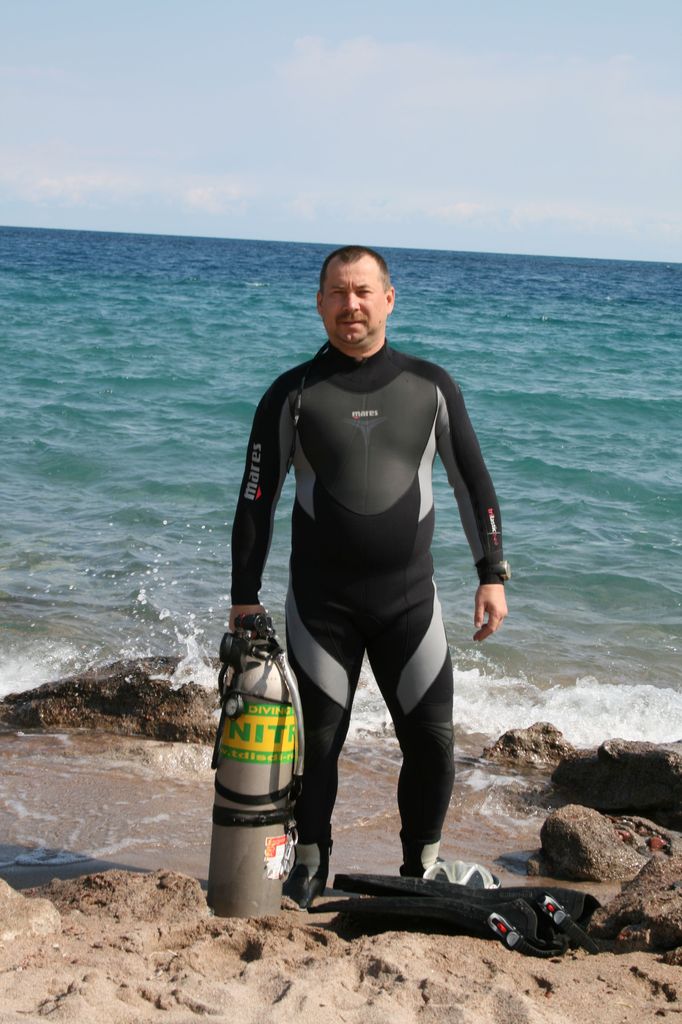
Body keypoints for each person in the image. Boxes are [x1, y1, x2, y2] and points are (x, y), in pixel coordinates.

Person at [229, 245, 509, 907]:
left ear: (388, 299)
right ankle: (308, 863)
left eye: (362, 291)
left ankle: (422, 867)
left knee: (432, 741)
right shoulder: (292, 394)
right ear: (319, 303)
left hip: (409, 603)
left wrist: (491, 572)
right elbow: (256, 497)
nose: (350, 305)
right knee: (317, 744)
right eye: (337, 292)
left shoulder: (430, 386)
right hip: (321, 606)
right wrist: (244, 598)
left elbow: (473, 484)